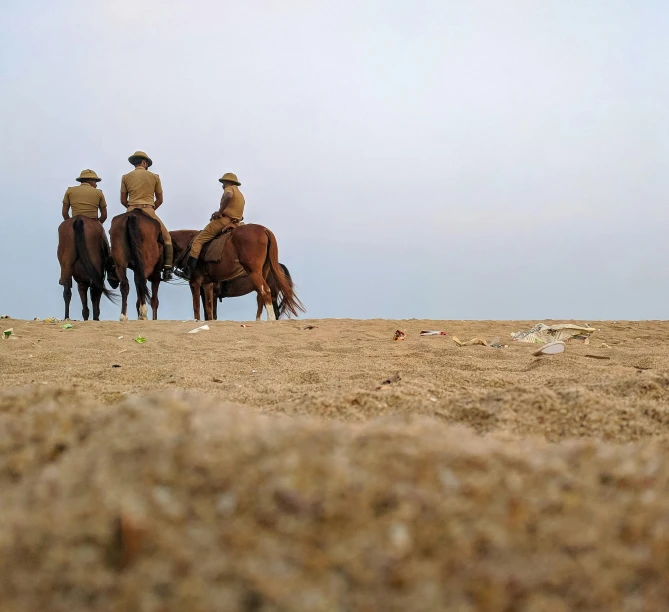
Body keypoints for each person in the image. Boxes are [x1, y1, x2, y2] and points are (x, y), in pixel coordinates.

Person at [177, 172, 245, 281]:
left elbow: (228, 196)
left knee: (198, 241)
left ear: (228, 182)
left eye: (223, 182)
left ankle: (188, 272)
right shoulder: (241, 195)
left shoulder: (229, 189)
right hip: (236, 223)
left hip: (224, 220)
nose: (222, 185)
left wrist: (220, 212)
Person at [121, 150, 174, 281]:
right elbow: (160, 199)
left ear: (134, 163)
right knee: (167, 238)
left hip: (131, 210)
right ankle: (167, 269)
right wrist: (150, 208)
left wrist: (132, 207)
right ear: (144, 162)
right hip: (148, 210)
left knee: (117, 236)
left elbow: (123, 200)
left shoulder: (125, 177)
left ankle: (112, 268)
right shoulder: (154, 177)